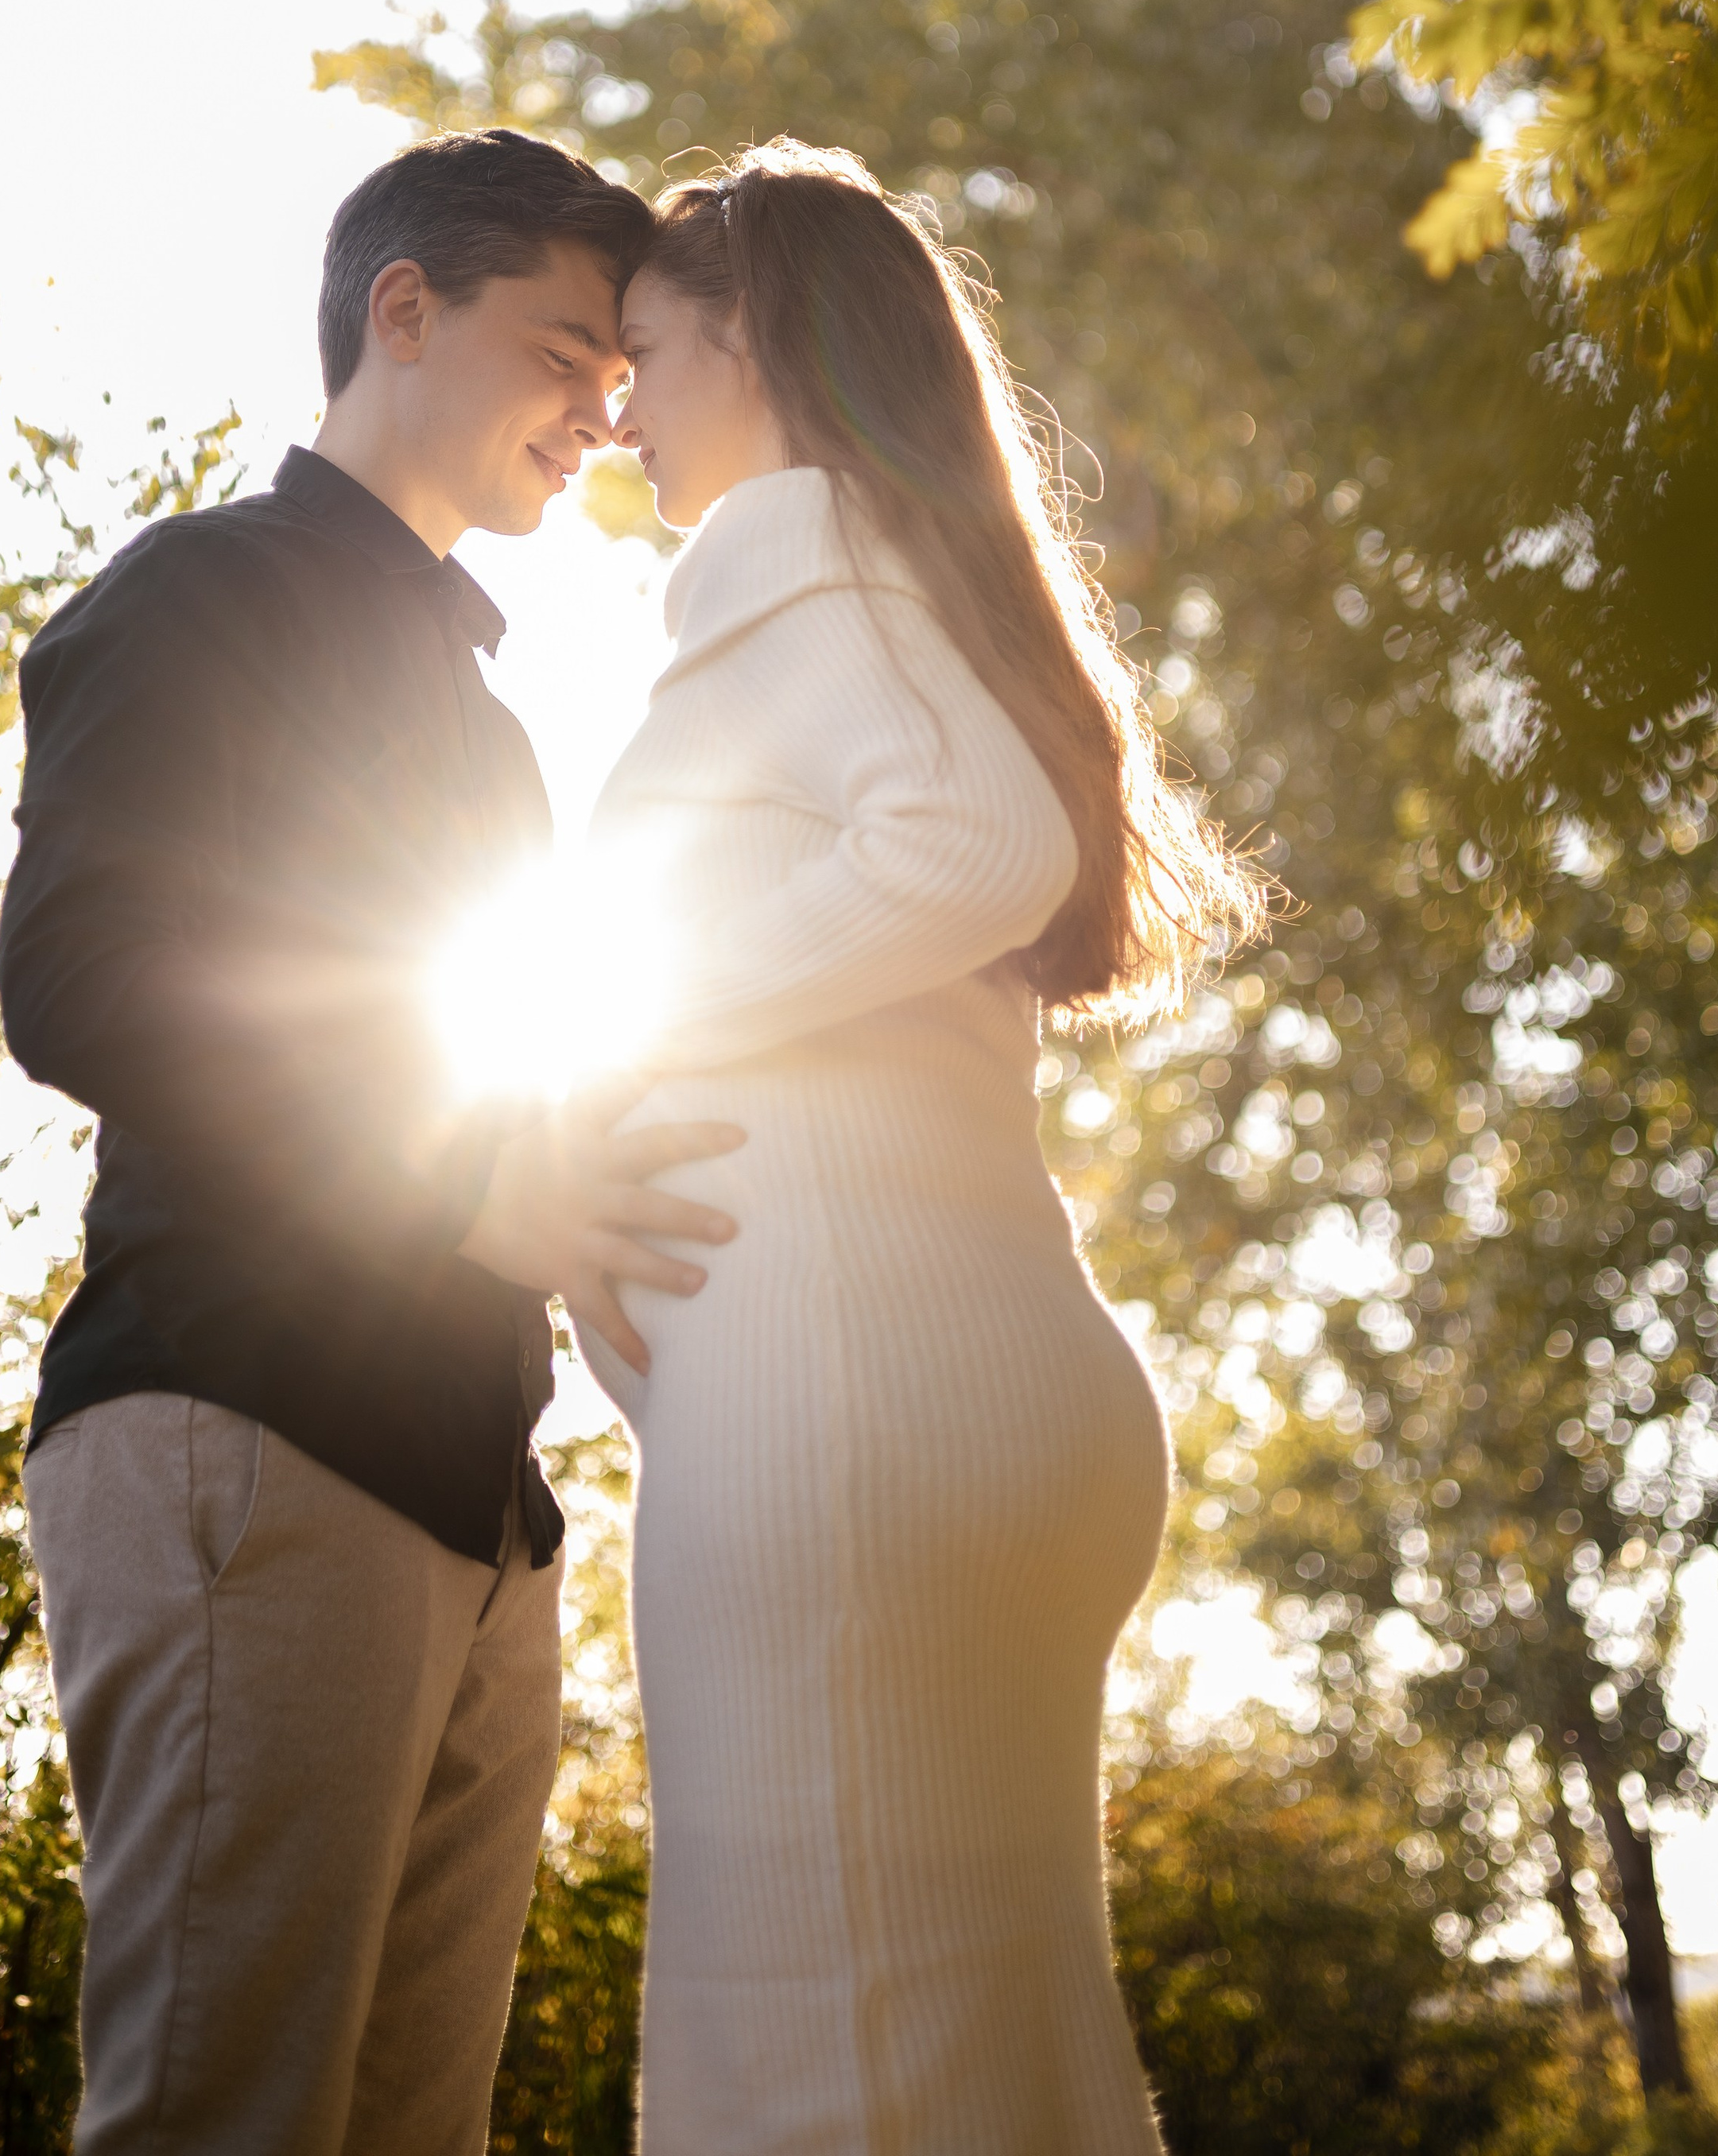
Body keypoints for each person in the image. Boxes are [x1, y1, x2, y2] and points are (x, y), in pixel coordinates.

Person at [0, 130, 742, 2156]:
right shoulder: (200, 593)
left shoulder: (493, 719)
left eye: (619, 376)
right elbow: (80, 984)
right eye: (566, 351)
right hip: (247, 1431)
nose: (603, 410)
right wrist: (463, 1189)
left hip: (476, 1508)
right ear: (399, 311)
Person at [568, 141, 1262, 2154]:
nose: (616, 403)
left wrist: (632, 1024)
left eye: (640, 347)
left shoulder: (810, 561)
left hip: (850, 1420)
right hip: (924, 1387)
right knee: (975, 2068)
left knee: (816, 2068)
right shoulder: (876, 578)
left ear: (753, 336)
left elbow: (976, 841)